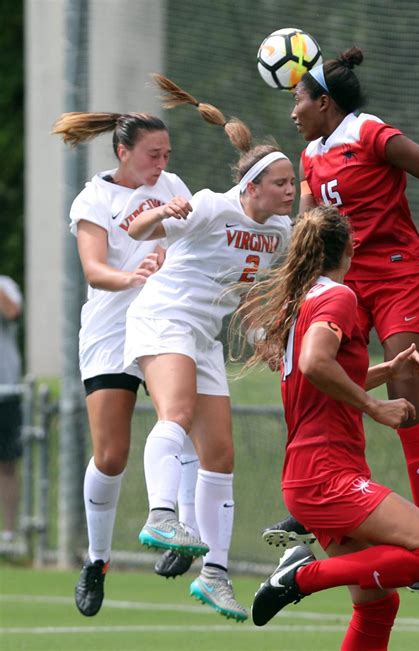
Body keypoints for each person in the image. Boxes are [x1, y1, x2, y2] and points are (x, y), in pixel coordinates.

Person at [263, 48, 419, 582]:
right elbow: (309, 233)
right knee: (320, 381)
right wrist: (283, 314)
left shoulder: (370, 133)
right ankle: (319, 502)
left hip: (398, 274)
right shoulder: (311, 154)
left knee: (404, 394)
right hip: (346, 283)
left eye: (298, 99)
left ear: (324, 102)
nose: (293, 111)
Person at [236, 205, 419, 648]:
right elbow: (316, 362)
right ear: (351, 248)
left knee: (377, 605)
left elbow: (321, 375)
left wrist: (385, 369)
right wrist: (375, 406)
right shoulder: (340, 296)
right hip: (327, 474)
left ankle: (301, 574)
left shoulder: (306, 300)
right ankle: (303, 575)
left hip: (310, 473)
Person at [123, 75, 295, 622]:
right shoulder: (210, 206)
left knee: (220, 455)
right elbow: (136, 231)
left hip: (203, 337)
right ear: (252, 187)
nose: (291, 191)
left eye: (293, 182)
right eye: (282, 183)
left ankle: (215, 574)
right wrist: (160, 213)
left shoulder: (281, 232)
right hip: (163, 319)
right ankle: (161, 515)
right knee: (176, 412)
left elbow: (245, 296)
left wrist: (266, 338)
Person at [52, 111, 199, 615]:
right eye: (152, 155)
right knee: (111, 455)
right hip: (112, 332)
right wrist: (132, 275)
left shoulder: (174, 186)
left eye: (166, 155)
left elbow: (194, 240)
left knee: (180, 423)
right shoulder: (95, 198)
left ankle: (181, 530)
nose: (161, 164)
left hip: (164, 324)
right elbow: (94, 271)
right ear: (123, 153)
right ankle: (97, 561)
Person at [0, 276, 23, 547]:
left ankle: (8, 534)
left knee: (6, 465)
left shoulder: (6, 285)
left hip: (5, 391)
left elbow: (12, 312)